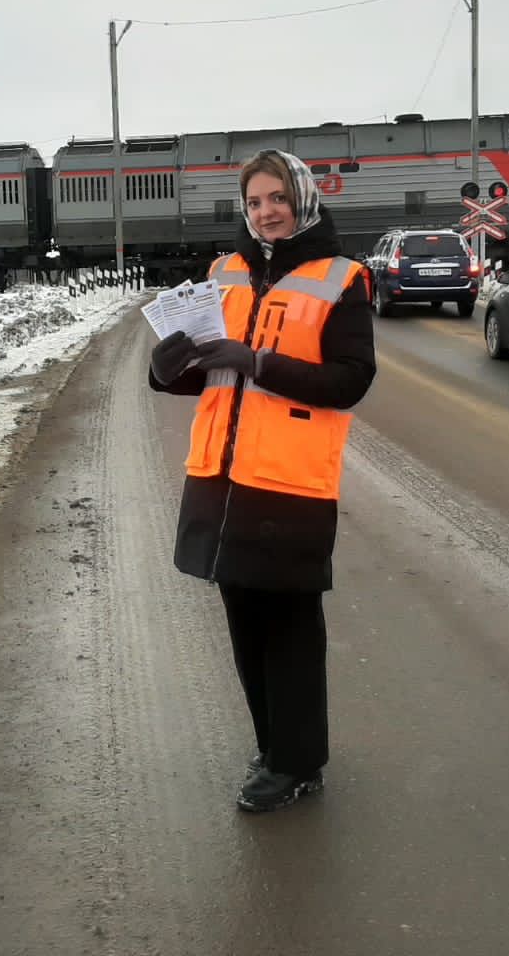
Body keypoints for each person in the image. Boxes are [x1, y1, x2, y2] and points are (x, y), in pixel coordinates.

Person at [148, 149, 376, 812]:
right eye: (254, 202)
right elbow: (207, 368)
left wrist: (257, 360)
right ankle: (273, 745)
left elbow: (348, 381)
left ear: (301, 199)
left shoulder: (342, 279)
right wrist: (168, 368)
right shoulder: (226, 271)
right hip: (221, 474)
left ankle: (298, 764)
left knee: (290, 625)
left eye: (276, 198)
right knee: (245, 618)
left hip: (289, 478)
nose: (265, 212)